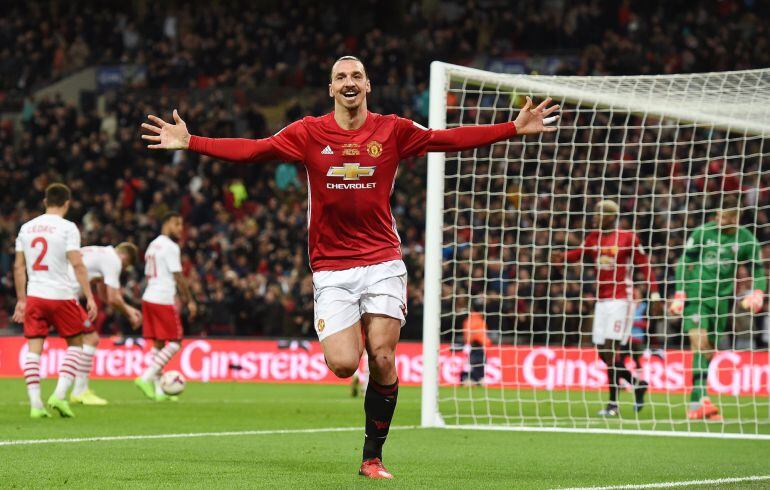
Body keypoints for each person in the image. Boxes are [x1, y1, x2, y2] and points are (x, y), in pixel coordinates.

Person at [141, 55, 558, 479]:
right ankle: (356, 327)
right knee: (343, 364)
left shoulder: (392, 129)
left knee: (381, 355)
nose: (349, 82)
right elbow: (255, 150)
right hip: (331, 267)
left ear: (368, 85)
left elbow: (446, 139)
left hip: (382, 260)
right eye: (341, 77)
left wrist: (512, 128)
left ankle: (372, 458)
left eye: (356, 75)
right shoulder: (308, 132)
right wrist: (193, 141)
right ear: (331, 89)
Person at [551, 200, 661, 417]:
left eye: (598, 214)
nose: (594, 218)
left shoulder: (628, 237)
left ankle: (613, 404)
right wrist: (560, 257)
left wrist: (655, 293)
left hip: (622, 299)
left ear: (611, 216)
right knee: (602, 353)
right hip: (601, 302)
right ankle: (637, 383)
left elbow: (644, 265)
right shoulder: (594, 237)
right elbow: (577, 254)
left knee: (611, 350)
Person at [669, 200, 766, 421]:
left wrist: (757, 292)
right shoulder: (703, 232)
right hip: (697, 295)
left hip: (722, 300)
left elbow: (757, 269)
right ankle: (703, 399)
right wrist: (680, 293)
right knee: (699, 343)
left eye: (726, 218)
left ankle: (695, 404)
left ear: (736, 218)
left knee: (710, 350)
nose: (721, 221)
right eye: (719, 216)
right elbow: (684, 261)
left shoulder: (745, 239)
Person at [13, 183, 98, 418]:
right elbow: (77, 264)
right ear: (67, 203)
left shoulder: (26, 228)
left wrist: (22, 300)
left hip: (35, 295)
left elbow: (19, 267)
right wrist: (89, 296)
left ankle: (35, 405)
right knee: (76, 344)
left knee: (33, 350)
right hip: (61, 295)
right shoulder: (68, 228)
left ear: (45, 201)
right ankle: (59, 396)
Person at [68, 242, 142, 405]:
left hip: (58, 289)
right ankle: (79, 391)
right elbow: (113, 298)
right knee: (91, 339)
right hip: (67, 294)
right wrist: (130, 313)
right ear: (124, 257)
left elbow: (104, 296)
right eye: (124, 266)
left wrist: (128, 308)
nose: (121, 269)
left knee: (81, 341)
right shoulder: (114, 260)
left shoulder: (100, 252)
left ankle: (79, 389)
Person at [134, 212, 197, 401]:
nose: (180, 229)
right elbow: (178, 276)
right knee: (176, 342)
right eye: (177, 224)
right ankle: (146, 377)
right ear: (167, 223)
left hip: (149, 296)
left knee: (159, 344)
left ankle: (160, 391)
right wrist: (190, 300)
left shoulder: (153, 245)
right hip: (162, 297)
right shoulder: (171, 247)